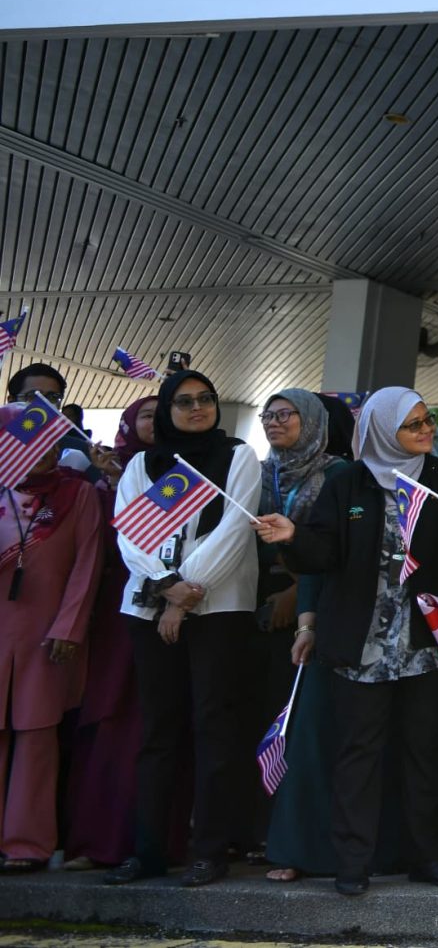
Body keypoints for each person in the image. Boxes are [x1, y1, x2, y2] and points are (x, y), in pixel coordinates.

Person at [255, 387, 438, 897]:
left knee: (425, 750)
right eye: (413, 425)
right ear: (382, 431)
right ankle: (352, 861)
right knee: (359, 752)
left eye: (428, 420)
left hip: (426, 638)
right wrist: (292, 536)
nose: (427, 431)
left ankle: (427, 856)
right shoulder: (347, 480)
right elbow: (322, 554)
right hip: (360, 644)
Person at [107, 370, 262, 887]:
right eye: (185, 402)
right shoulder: (141, 463)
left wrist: (186, 594)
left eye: (206, 400)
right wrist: (167, 585)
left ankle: (209, 850)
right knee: (158, 733)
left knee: (213, 728)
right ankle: (149, 849)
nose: (197, 409)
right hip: (150, 607)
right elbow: (129, 532)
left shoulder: (237, 456)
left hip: (218, 610)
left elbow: (234, 531)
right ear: (168, 409)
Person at [0, 404, 100, 872]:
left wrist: (69, 627)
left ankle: (27, 845)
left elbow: (87, 565)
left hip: (46, 634)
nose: (46, 452)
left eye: (52, 443)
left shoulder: (76, 495)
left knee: (37, 736)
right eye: (30, 442)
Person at [60, 394, 154, 872]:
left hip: (169, 613)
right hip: (112, 615)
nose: (157, 422)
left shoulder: (189, 475)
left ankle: (153, 841)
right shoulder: (102, 482)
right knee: (106, 721)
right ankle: (96, 839)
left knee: (153, 725)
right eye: (148, 415)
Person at [255, 390, 341, 882]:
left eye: (285, 414)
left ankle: (297, 844)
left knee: (303, 732)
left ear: (310, 421)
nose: (273, 422)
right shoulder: (263, 471)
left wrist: (296, 596)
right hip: (254, 608)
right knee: (259, 725)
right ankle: (257, 833)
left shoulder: (334, 474)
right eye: (268, 414)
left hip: (308, 610)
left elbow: (332, 548)